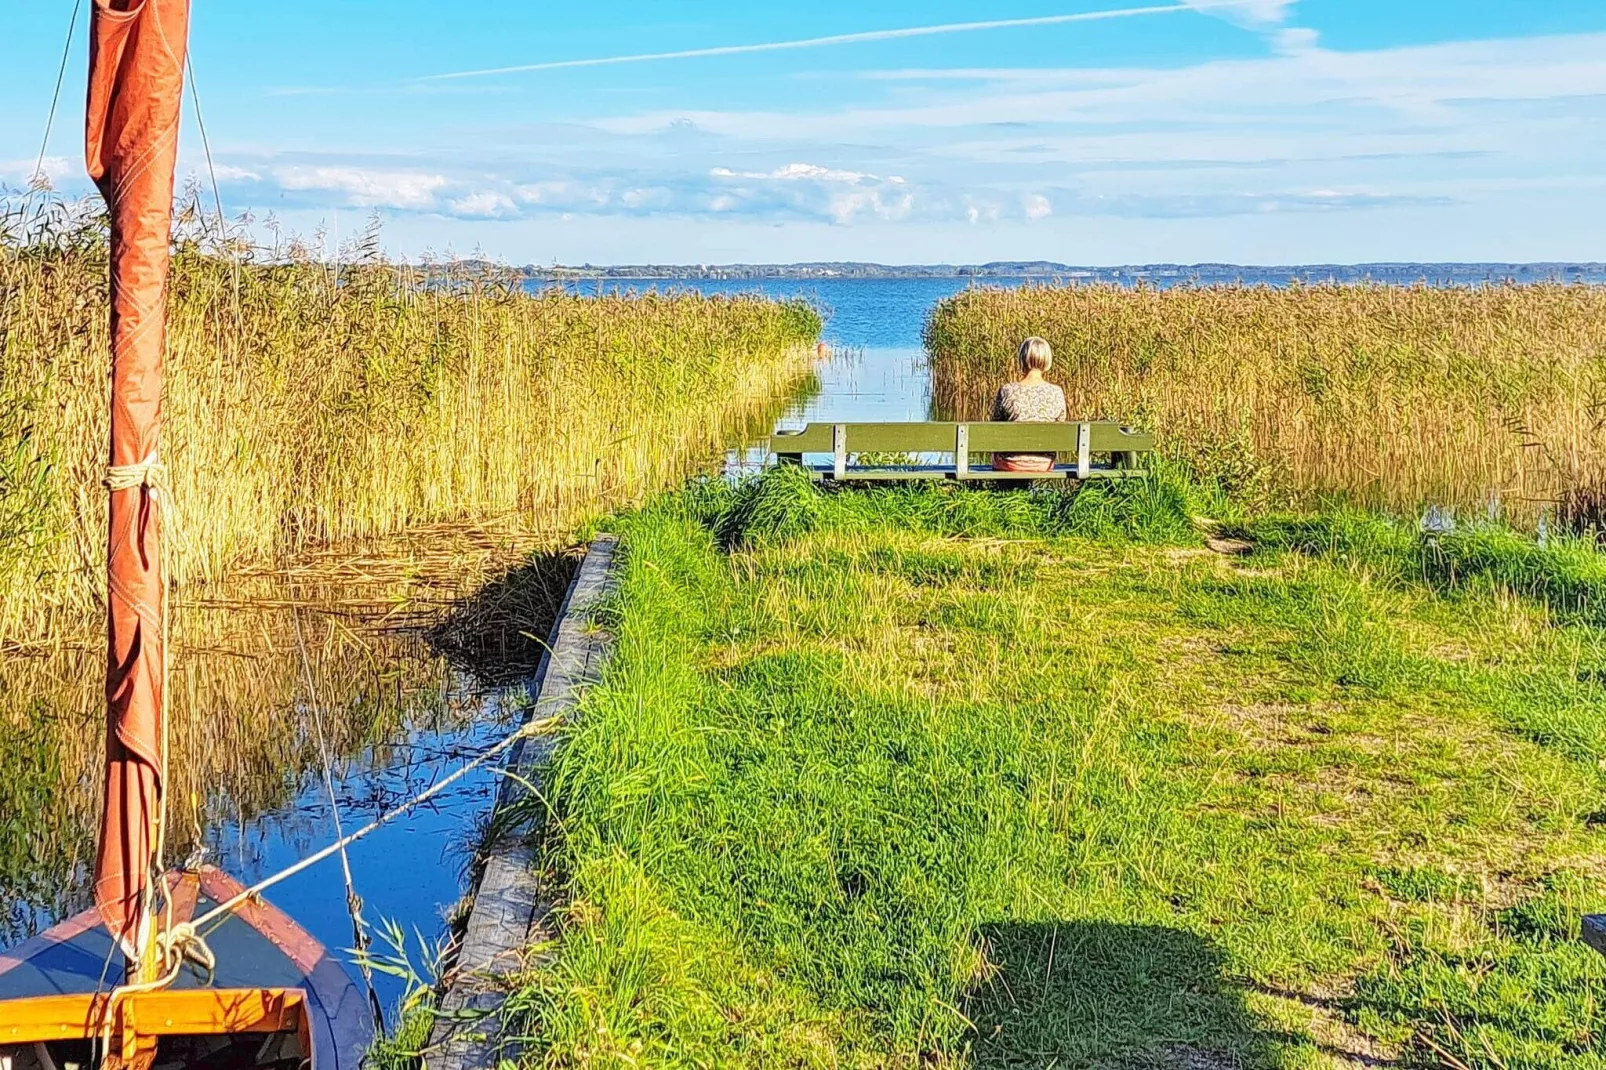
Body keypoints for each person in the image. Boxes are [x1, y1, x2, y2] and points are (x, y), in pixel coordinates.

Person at [989, 336, 1068, 472]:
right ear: (1047, 360)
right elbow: (1060, 425)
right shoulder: (1057, 392)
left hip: (1010, 463)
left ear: (1022, 359)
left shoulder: (1007, 390)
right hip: (1044, 463)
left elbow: (995, 427)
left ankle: (1005, 490)